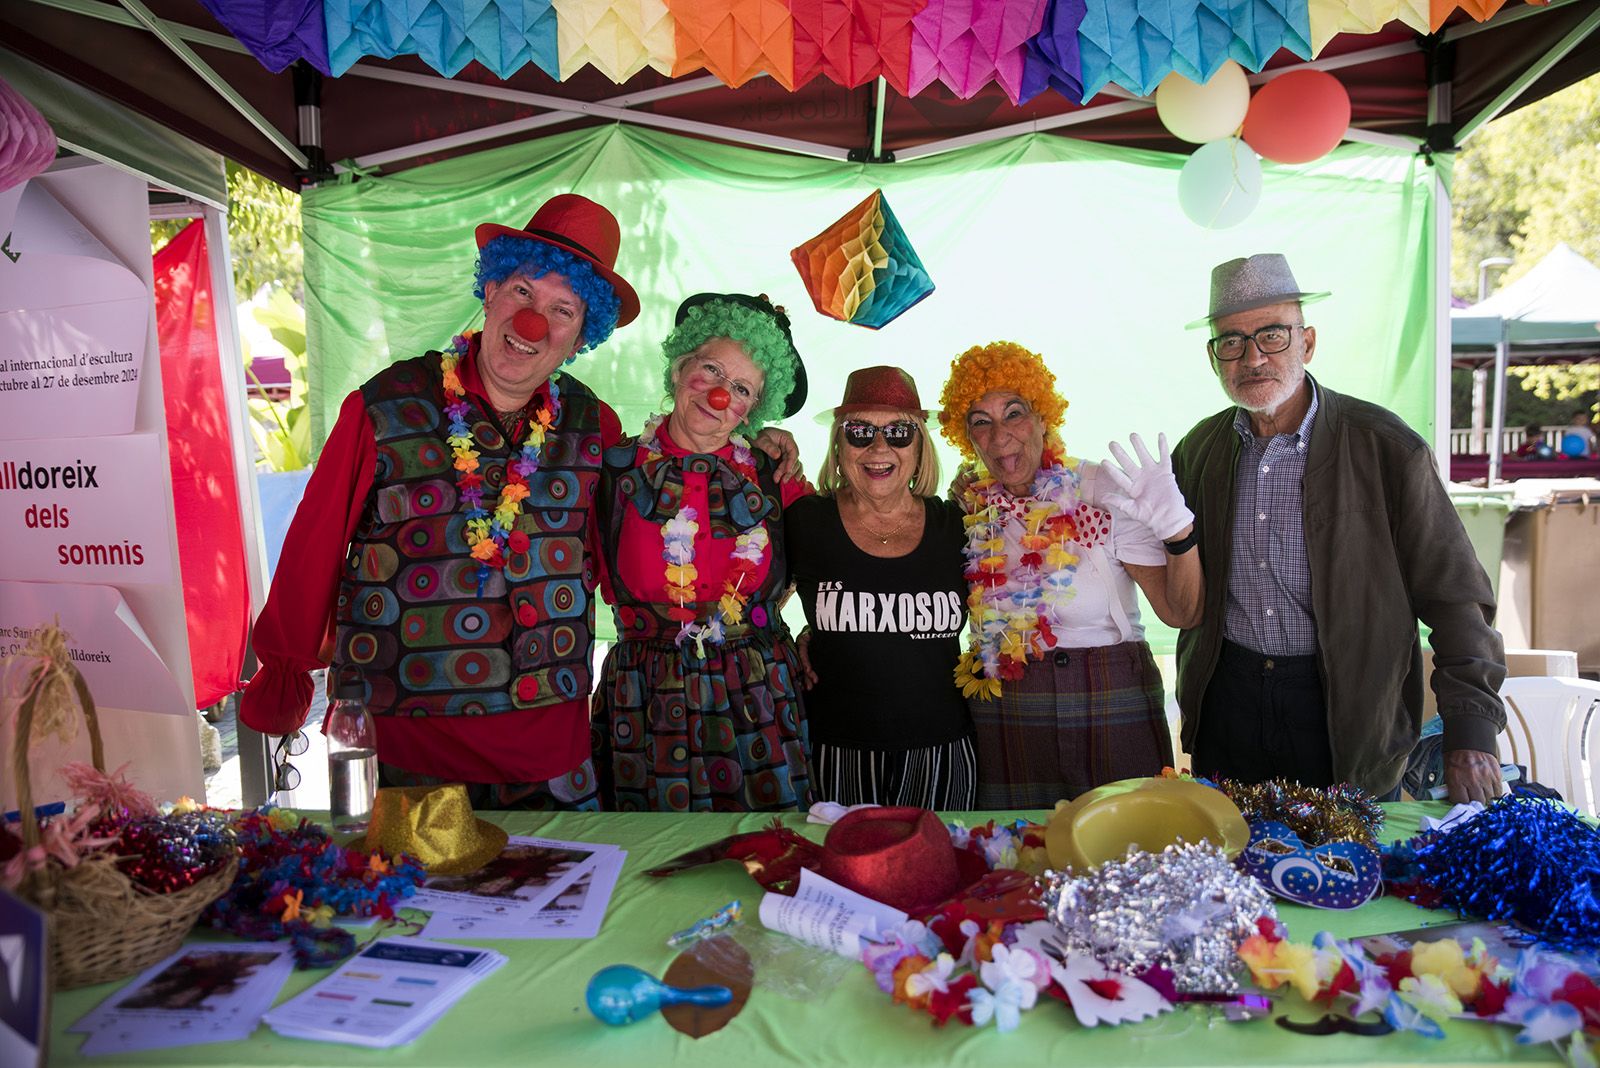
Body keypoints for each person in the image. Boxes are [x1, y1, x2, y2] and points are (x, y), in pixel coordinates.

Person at [241, 197, 798, 810]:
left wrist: (761, 444)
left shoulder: (595, 425)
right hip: (410, 731)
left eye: (562, 310)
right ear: (490, 290)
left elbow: (673, 486)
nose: (534, 323)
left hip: (547, 739)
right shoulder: (383, 404)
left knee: (565, 898)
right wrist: (287, 665)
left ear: (582, 335)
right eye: (523, 293)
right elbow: (312, 545)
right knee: (419, 901)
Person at [1170, 253, 1506, 804]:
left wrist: (1471, 731)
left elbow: (1456, 598)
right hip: (1228, 709)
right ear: (1214, 358)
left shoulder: (1385, 447)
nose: (1252, 357)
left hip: (1346, 718)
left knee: (1356, 881)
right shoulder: (1199, 451)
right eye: (1231, 341)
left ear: (1307, 343)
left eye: (1272, 335)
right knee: (1231, 879)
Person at [936, 342, 1203, 809]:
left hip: (1108, 691)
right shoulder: (974, 504)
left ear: (1044, 417)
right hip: (1009, 700)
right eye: (981, 421)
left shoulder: (1101, 489)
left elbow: (1181, 611)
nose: (1000, 437)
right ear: (968, 438)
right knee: (1016, 855)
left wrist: (1178, 532)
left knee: (1127, 850)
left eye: (1014, 413)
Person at [592, 293, 813, 812]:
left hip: (758, 694)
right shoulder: (610, 471)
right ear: (678, 365)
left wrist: (816, 639)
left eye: (741, 388)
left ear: (753, 409)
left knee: (764, 853)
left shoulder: (776, 479)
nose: (719, 396)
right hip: (644, 698)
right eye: (711, 369)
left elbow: (840, 567)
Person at [786, 366, 977, 809]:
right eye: (859, 432)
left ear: (919, 447)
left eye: (898, 432)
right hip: (837, 748)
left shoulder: (958, 524)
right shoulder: (806, 521)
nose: (878, 447)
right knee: (842, 875)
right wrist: (788, 644)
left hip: (943, 748)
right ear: (838, 444)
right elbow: (753, 600)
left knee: (938, 871)